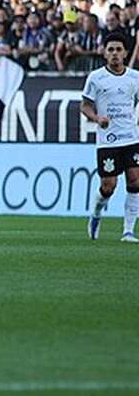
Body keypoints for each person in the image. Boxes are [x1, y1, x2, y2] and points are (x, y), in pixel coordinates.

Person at [80, 32, 139, 242]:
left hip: (132, 139)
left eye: (118, 50)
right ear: (105, 53)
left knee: (135, 181)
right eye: (110, 50)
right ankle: (96, 214)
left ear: (125, 53)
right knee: (109, 186)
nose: (114, 53)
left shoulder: (135, 78)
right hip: (108, 141)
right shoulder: (96, 78)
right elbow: (84, 105)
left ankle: (128, 231)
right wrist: (97, 118)